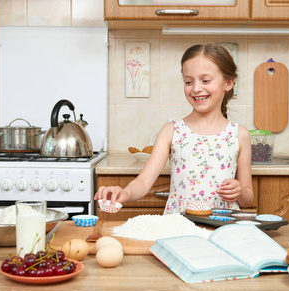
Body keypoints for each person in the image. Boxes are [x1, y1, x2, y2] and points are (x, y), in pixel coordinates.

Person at [95, 43, 254, 214]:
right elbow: (143, 182)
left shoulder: (239, 134)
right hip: (178, 226)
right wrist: (124, 193)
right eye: (188, 81)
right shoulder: (172, 131)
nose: (196, 88)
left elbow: (248, 198)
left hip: (222, 228)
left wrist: (239, 191)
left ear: (228, 83)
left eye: (206, 80)